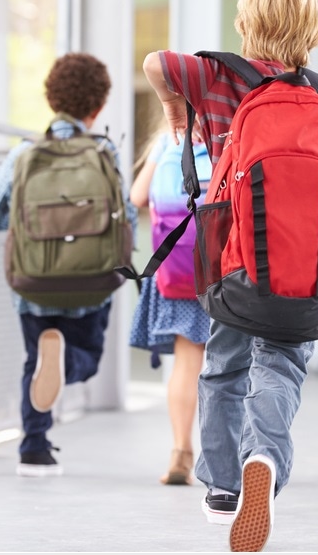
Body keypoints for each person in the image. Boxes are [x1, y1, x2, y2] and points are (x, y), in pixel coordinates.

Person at [141, 0, 318, 551]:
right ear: (313, 33)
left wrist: (174, 110)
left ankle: (221, 487)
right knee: (282, 366)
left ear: (245, 22)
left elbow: (155, 64)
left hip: (234, 263)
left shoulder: (211, 77)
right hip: (309, 267)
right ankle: (263, 457)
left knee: (224, 365)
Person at [0, 53, 137, 477]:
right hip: (92, 279)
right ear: (98, 105)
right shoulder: (104, 151)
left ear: (51, 99)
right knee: (86, 356)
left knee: (35, 361)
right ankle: (66, 365)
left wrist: (24, 227)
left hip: (35, 280)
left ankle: (34, 448)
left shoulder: (25, 153)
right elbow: (128, 217)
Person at [128, 131, 212, 486]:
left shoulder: (164, 144)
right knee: (238, 364)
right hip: (225, 272)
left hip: (177, 271)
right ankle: (238, 455)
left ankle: (181, 451)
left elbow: (137, 196)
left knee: (186, 364)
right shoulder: (229, 135)